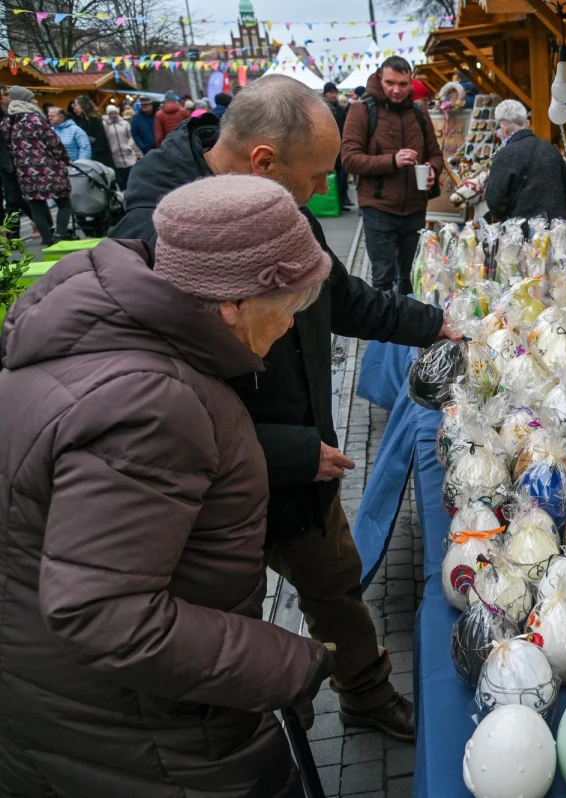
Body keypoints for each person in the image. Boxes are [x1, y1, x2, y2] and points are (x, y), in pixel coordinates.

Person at [112, 74, 454, 740]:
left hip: (302, 466)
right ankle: (275, 726)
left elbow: (338, 295)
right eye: (314, 178)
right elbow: (161, 415)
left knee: (334, 581)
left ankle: (365, 692)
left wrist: (431, 322)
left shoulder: (278, 206)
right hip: (222, 489)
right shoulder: (156, 238)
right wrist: (287, 449)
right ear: (265, 162)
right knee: (238, 625)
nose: (316, 196)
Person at [0, 174, 334, 797]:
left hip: (72, 707)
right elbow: (102, 613)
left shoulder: (94, 336)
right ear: (231, 303)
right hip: (141, 738)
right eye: (287, 308)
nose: (290, 328)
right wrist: (284, 662)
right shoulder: (155, 402)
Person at [341, 56, 444, 293]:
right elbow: (348, 158)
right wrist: (392, 161)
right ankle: (384, 330)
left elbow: (436, 155)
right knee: (383, 278)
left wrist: (432, 169)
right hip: (379, 208)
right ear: (379, 79)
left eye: (403, 84)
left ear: (410, 82)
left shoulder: (419, 112)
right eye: (390, 83)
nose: (396, 90)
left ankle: (412, 327)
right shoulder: (362, 110)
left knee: (415, 276)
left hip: (415, 207)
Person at [0, 87, 73, 244]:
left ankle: (48, 241)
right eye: (32, 98)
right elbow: (54, 142)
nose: (36, 101)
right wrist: (66, 159)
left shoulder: (6, 122)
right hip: (48, 168)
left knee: (36, 207)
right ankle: (59, 235)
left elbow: (9, 147)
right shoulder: (35, 119)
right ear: (24, 101)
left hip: (24, 171)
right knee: (64, 203)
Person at [484, 99, 566, 223]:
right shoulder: (550, 149)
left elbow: (495, 201)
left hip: (522, 233)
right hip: (558, 228)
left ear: (503, 129)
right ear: (527, 123)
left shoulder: (504, 155)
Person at [0, 87, 32, 235]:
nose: (9, 97)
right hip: (6, 164)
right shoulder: (5, 117)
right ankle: (12, 234)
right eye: (6, 95)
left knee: (16, 199)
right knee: (14, 200)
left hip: (15, 162)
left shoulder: (10, 114)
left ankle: (13, 234)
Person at [323, 81, 350, 211]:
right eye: (330, 92)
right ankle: (334, 201)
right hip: (327, 147)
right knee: (330, 175)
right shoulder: (322, 109)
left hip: (341, 146)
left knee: (343, 173)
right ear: (326, 93)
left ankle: (343, 197)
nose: (333, 95)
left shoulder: (340, 109)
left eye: (334, 92)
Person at [103, 104, 140, 189]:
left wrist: (129, 146)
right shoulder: (105, 126)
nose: (113, 115)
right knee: (121, 180)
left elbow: (131, 136)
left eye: (115, 113)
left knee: (132, 177)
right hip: (115, 156)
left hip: (128, 154)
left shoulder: (125, 123)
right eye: (111, 113)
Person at [71, 96, 114, 168]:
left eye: (76, 105)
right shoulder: (82, 120)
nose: (74, 108)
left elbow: (101, 139)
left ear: (82, 106)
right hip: (91, 155)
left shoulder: (94, 120)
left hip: (99, 157)